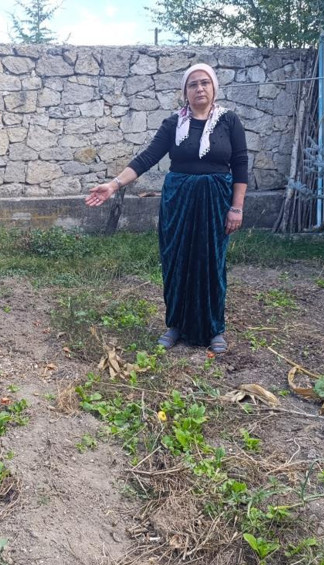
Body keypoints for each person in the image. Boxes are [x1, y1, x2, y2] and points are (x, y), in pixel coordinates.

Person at [85, 63, 248, 354]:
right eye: (193, 84)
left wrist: (236, 208)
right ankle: (175, 325)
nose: (199, 88)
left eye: (205, 83)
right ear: (185, 91)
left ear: (214, 88)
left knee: (211, 262)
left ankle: (214, 330)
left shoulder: (229, 121)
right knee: (176, 260)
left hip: (215, 200)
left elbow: (240, 165)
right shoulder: (174, 123)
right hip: (179, 200)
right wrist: (113, 185)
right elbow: (147, 157)